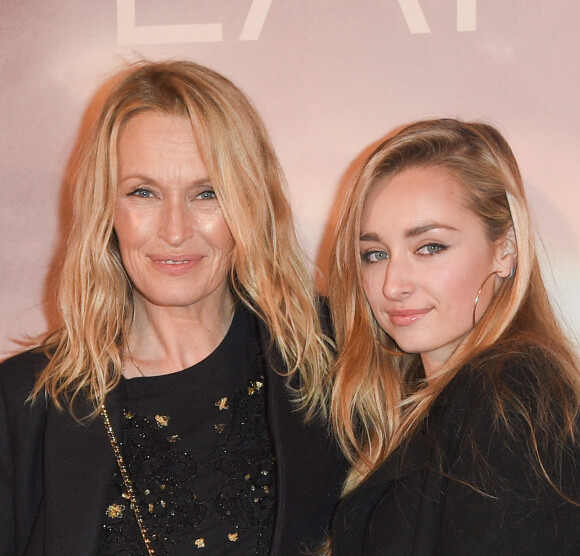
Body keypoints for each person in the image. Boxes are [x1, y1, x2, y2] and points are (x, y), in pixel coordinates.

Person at [0, 60, 346, 556]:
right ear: (106, 208)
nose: (176, 230)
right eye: (143, 193)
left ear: (250, 203)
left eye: (207, 193)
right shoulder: (24, 407)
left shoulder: (333, 353)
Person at [326, 118, 580, 554]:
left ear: (506, 249)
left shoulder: (513, 398)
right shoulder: (426, 398)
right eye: (375, 254)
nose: (392, 284)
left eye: (430, 247)